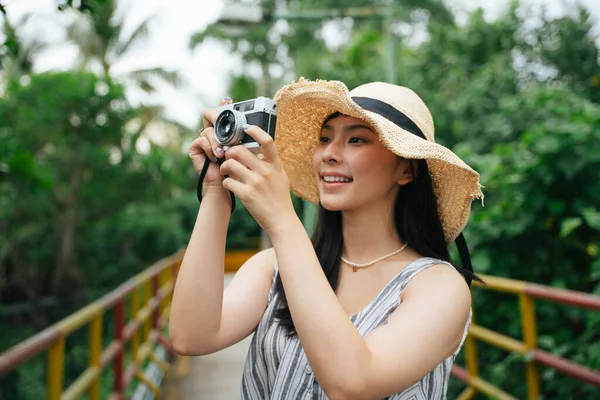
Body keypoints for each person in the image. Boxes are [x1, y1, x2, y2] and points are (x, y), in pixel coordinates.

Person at [169, 78, 484, 399]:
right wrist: (214, 191)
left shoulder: (439, 286)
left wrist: (282, 220)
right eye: (324, 138)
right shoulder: (273, 268)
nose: (329, 154)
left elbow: (353, 383)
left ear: (406, 169)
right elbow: (191, 337)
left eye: (357, 140)